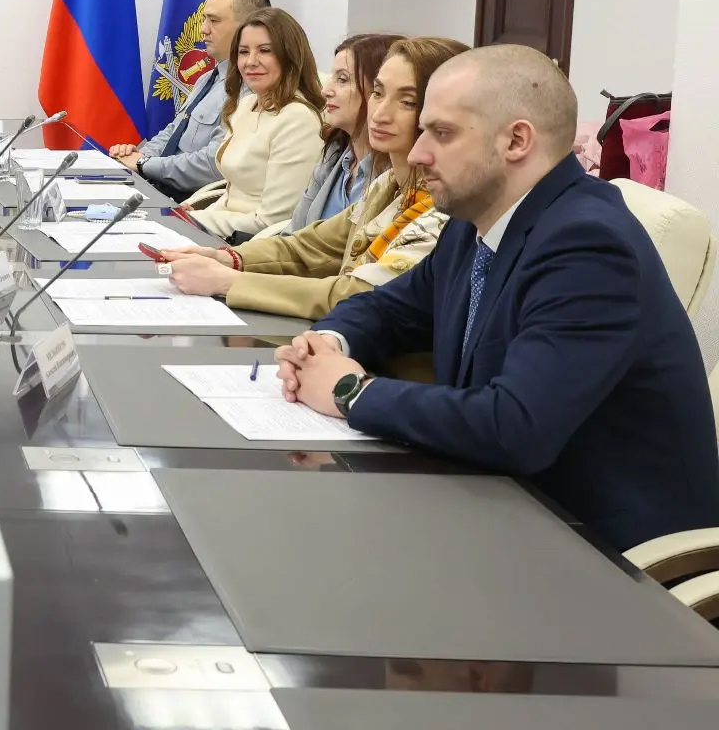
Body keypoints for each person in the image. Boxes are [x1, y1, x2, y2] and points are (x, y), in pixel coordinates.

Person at [276, 44, 719, 551]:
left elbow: (516, 426)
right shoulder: (477, 222)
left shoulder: (588, 245)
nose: (417, 153)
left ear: (516, 141)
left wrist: (350, 392)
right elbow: (390, 308)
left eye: (442, 133)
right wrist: (328, 343)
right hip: (504, 507)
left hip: (600, 552)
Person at [158, 36, 468, 320]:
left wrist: (230, 281)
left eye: (407, 102)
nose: (380, 113)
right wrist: (227, 258)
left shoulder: (443, 209)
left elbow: (361, 294)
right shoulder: (389, 185)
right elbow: (311, 246)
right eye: (378, 93)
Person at [110, 0, 269, 199]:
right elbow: (173, 132)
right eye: (204, 19)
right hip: (157, 186)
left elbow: (215, 162)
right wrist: (136, 156)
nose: (203, 29)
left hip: (188, 201)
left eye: (214, 21)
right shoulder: (208, 78)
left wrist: (145, 164)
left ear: (248, 27)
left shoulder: (252, 89)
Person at [187, 6, 326, 240]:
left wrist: (198, 220)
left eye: (264, 51)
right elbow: (235, 194)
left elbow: (271, 221)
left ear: (290, 56)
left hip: (249, 245)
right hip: (220, 230)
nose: (250, 62)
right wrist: (195, 215)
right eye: (243, 52)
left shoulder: (298, 119)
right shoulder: (246, 104)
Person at [291, 33, 398, 232]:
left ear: (379, 90)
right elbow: (294, 231)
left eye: (342, 79)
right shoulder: (335, 152)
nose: (325, 90)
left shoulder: (396, 173)